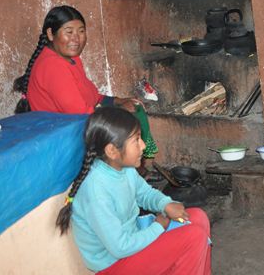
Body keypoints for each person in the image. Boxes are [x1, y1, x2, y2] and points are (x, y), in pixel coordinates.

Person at [56, 107, 211, 274]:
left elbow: (144, 193)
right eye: (136, 140)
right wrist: (158, 226)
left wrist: (165, 204)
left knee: (197, 217)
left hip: (133, 245)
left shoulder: (123, 167)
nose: (143, 145)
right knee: (193, 237)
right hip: (115, 265)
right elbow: (120, 247)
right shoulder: (95, 190)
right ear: (112, 150)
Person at [12, 5, 158, 169]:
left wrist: (117, 101)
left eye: (81, 31)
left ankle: (137, 170)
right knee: (126, 126)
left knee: (135, 108)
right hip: (63, 136)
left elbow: (92, 96)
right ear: (51, 34)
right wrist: (118, 113)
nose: (77, 38)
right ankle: (134, 172)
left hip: (77, 125)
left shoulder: (70, 59)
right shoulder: (52, 66)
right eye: (69, 32)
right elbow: (80, 114)